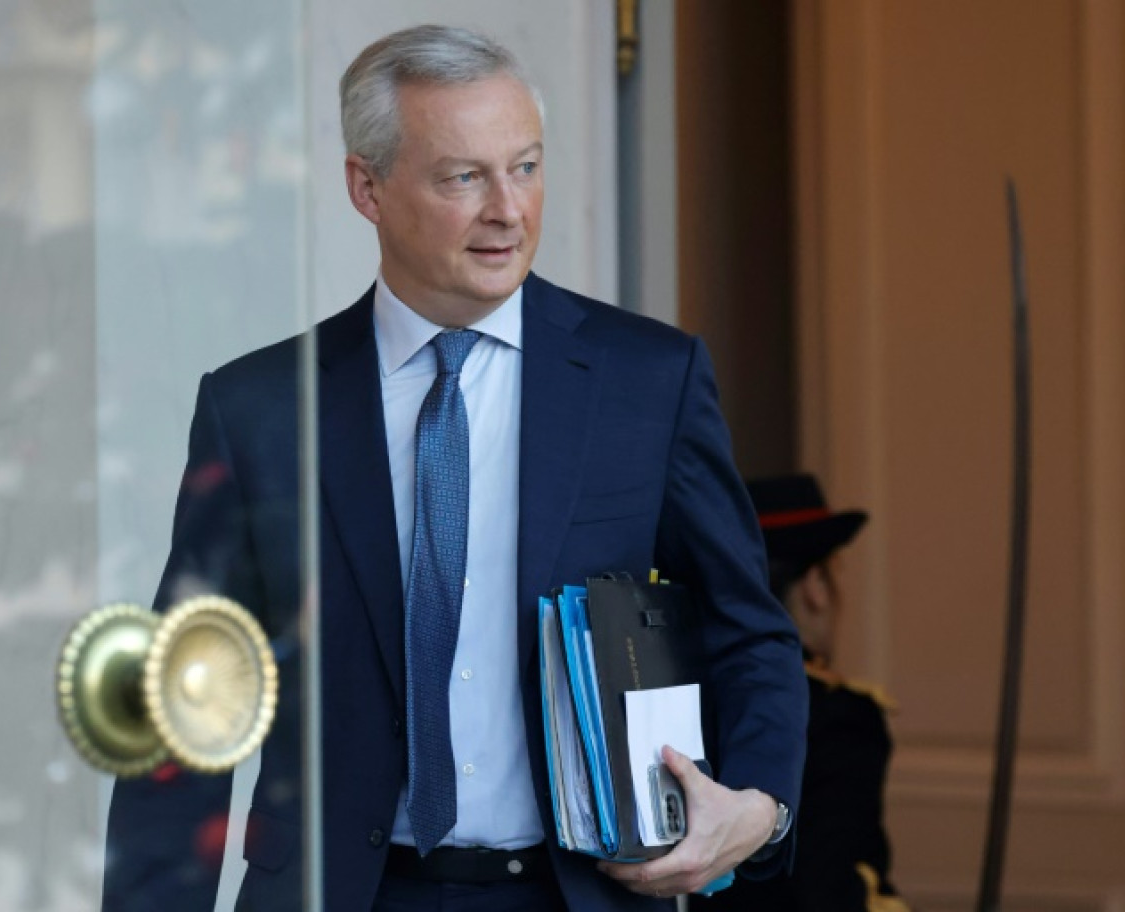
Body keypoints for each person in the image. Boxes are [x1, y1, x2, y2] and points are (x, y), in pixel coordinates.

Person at [103, 25, 808, 912]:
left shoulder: (647, 382)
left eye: (526, 167)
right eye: (463, 177)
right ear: (368, 187)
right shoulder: (259, 410)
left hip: (578, 896)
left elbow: (750, 632)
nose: (508, 211)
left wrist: (760, 807)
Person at [692, 474, 908, 912]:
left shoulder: (688, 700)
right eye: (834, 575)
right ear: (814, 587)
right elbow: (832, 889)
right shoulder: (840, 718)